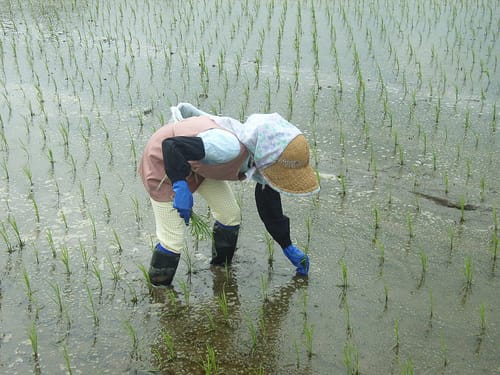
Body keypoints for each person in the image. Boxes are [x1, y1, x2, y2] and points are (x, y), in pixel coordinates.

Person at [138, 103, 320, 286]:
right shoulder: (227, 147)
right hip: (164, 162)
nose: (279, 176)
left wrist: (286, 244)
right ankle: (159, 293)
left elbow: (269, 204)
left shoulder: (262, 158)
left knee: (230, 215)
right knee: (173, 240)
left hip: (200, 165)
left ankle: (220, 269)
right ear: (270, 156)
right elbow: (171, 146)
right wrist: (179, 185)